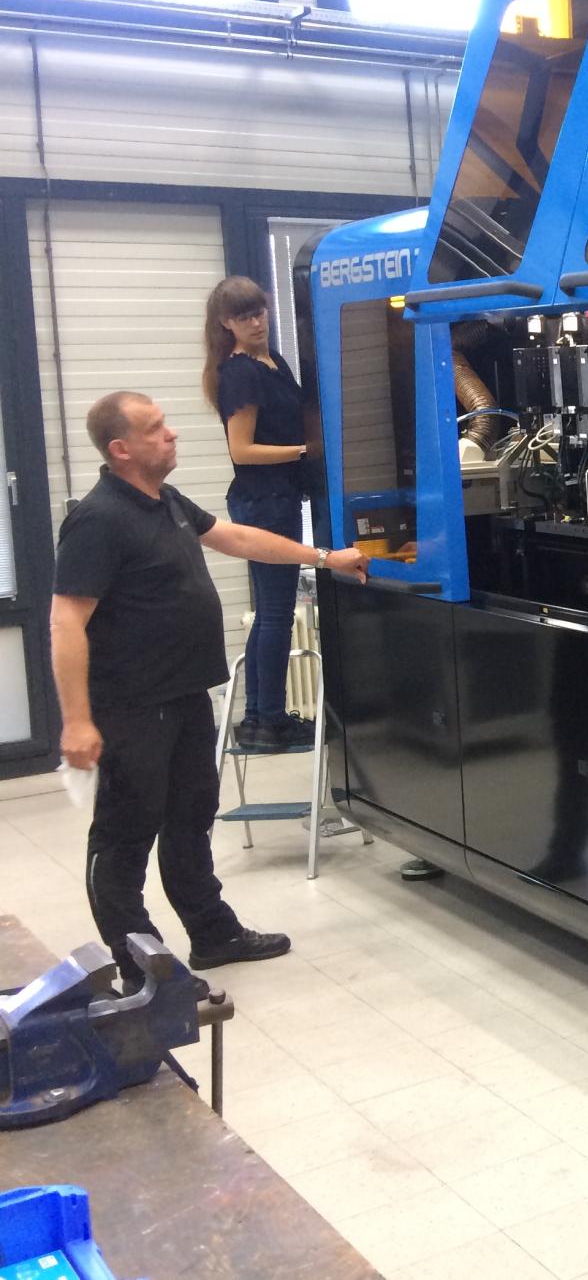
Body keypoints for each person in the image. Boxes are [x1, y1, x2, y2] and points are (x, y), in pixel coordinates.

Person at [50, 390, 369, 984]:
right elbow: (66, 621)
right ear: (121, 449)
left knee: (190, 819)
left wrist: (323, 557)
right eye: (155, 428)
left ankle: (213, 934)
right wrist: (76, 720)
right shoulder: (98, 519)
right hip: (132, 706)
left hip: (186, 694)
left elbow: (238, 538)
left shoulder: (165, 501)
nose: (171, 434)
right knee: (124, 837)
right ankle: (143, 971)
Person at [202, 276, 312, 752]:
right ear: (225, 323)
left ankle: (258, 719)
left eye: (259, 311)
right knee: (276, 614)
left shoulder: (274, 362)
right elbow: (242, 451)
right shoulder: (241, 372)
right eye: (243, 316)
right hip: (263, 501)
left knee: (272, 612)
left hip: (276, 497)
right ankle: (268, 722)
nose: (256, 322)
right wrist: (304, 452)